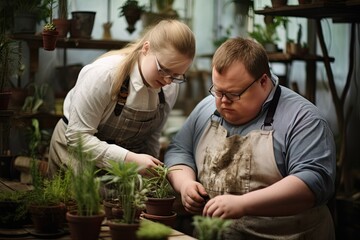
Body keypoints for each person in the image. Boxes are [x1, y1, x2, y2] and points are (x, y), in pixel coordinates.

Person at [164, 37, 336, 239]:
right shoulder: (206, 109)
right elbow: (179, 150)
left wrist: (243, 204)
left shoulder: (303, 119)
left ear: (263, 81)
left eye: (233, 94)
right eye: (217, 91)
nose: (222, 102)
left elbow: (313, 181)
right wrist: (185, 184)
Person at [48, 19, 196, 176]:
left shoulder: (170, 88)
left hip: (124, 165)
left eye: (176, 75)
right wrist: (130, 160)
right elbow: (78, 138)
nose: (168, 81)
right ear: (146, 48)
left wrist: (152, 176)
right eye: (163, 69)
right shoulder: (104, 74)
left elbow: (152, 136)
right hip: (75, 154)